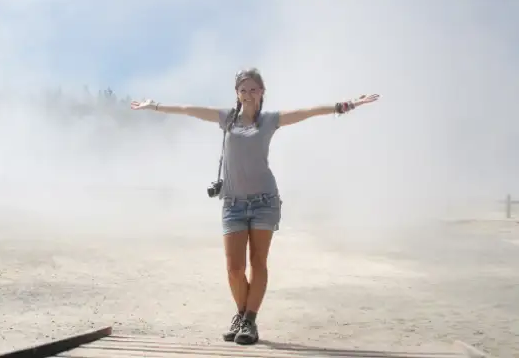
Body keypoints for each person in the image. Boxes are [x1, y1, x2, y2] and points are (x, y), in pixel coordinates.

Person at [130, 68, 380, 345]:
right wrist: (153, 106)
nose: (248, 94)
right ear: (237, 94)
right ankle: (241, 314)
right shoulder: (226, 118)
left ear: (262, 92)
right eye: (242, 90)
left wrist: (348, 104)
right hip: (233, 204)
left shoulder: (271, 120)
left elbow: (308, 112)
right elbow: (190, 109)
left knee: (257, 262)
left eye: (253, 89)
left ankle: (249, 321)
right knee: (234, 269)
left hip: (264, 201)